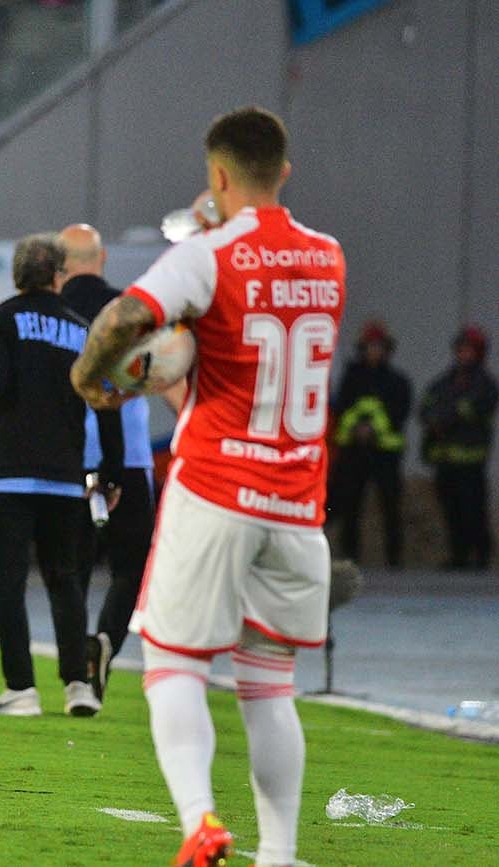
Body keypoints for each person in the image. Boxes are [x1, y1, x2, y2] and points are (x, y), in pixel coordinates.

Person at [71, 107, 345, 867]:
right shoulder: (329, 256)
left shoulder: (210, 257)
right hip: (297, 503)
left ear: (216, 176)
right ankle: (280, 853)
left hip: (219, 485)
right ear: (283, 172)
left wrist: (92, 377)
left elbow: (126, 315)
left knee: (175, 666)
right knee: (269, 683)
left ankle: (199, 819)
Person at [0, 232, 122, 718]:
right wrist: (110, 472)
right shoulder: (83, 330)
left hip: (7, 476)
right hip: (64, 476)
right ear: (59, 275)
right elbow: (105, 403)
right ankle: (78, 685)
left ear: (18, 275)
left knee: (8, 584)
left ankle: (21, 689)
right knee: (65, 580)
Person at [58, 223, 159, 708]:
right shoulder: (129, 312)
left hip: (69, 458)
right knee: (129, 567)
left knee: (72, 568)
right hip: (132, 456)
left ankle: (77, 669)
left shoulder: (52, 314)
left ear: (61, 265)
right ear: (99, 260)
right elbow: (154, 377)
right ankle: (105, 641)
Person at [328, 320, 411, 567]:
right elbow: (342, 408)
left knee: (390, 506)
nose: (374, 351)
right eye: (370, 346)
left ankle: (394, 559)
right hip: (354, 452)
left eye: (378, 346)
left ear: (386, 349)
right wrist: (357, 430)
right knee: (350, 505)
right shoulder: (351, 378)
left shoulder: (396, 381)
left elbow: (399, 413)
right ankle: (350, 555)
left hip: (385, 454)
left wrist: (373, 429)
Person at [420, 326, 497, 570]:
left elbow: (472, 409)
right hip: (445, 460)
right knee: (451, 510)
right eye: (461, 349)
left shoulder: (485, 384)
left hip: (471, 461)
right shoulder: (445, 381)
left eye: (469, 349)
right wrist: (435, 419)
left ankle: (480, 557)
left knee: (473, 510)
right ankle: (459, 556)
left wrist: (445, 417)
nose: (464, 354)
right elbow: (426, 407)